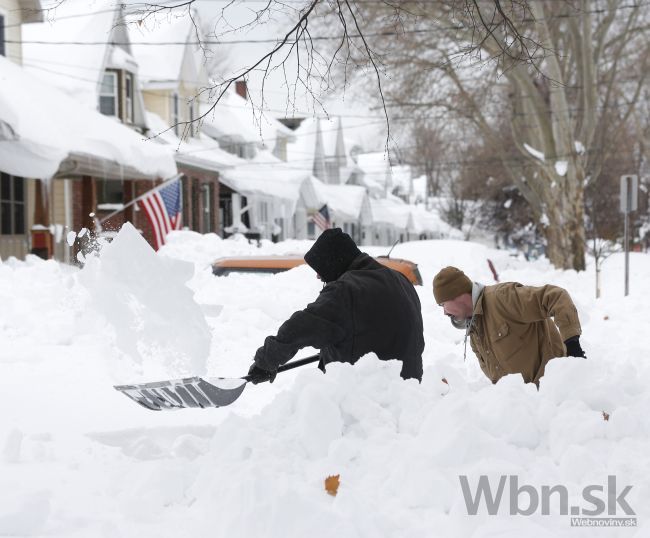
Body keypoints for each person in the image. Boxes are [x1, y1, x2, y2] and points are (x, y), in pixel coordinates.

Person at [248, 228, 424, 383]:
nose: (318, 276)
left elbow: (301, 327)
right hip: (408, 392)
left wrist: (266, 361)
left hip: (366, 399)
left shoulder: (346, 290)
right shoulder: (400, 280)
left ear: (334, 262)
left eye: (320, 269)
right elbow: (376, 330)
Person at [432, 266, 585, 385]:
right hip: (524, 409)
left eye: (443, 304)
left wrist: (572, 344)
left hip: (555, 392)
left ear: (457, 295)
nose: (445, 313)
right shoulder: (475, 331)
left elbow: (556, 297)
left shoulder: (503, 298)